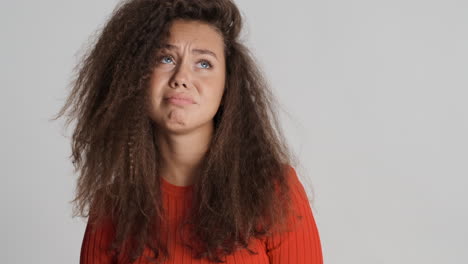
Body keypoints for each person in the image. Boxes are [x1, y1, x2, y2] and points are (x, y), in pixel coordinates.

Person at [53, 0, 323, 263]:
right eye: (166, 58)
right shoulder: (111, 206)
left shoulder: (273, 191)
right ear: (137, 77)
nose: (181, 77)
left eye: (203, 63)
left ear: (228, 85)